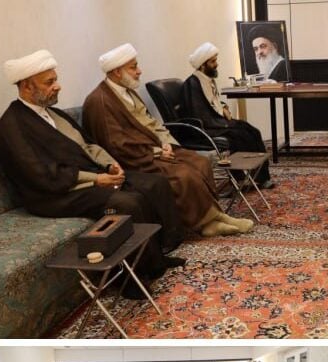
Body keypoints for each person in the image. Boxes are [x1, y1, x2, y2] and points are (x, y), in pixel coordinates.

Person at [0, 49, 186, 298]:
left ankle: (158, 255)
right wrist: (96, 180)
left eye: (55, 79)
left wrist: (109, 165)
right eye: (49, 82)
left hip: (85, 177)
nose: (58, 86)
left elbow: (88, 145)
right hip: (53, 195)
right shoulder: (11, 128)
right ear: (27, 86)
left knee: (154, 183)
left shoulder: (53, 113)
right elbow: (42, 176)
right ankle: (129, 281)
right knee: (127, 202)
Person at [82, 43, 254, 238]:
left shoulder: (127, 92)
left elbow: (151, 123)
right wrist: (156, 152)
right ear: (117, 72)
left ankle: (215, 216)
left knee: (200, 162)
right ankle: (205, 224)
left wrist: (166, 143)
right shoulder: (100, 101)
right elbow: (116, 145)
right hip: (135, 159)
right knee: (183, 174)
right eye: (133, 67)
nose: (139, 71)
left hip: (154, 149)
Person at [181, 41, 273, 188]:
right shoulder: (192, 84)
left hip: (217, 122)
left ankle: (261, 177)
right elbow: (199, 114)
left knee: (253, 131)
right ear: (203, 65)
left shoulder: (207, 80)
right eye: (213, 62)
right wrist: (224, 123)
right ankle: (240, 178)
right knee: (240, 136)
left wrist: (224, 108)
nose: (216, 64)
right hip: (207, 128)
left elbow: (214, 102)